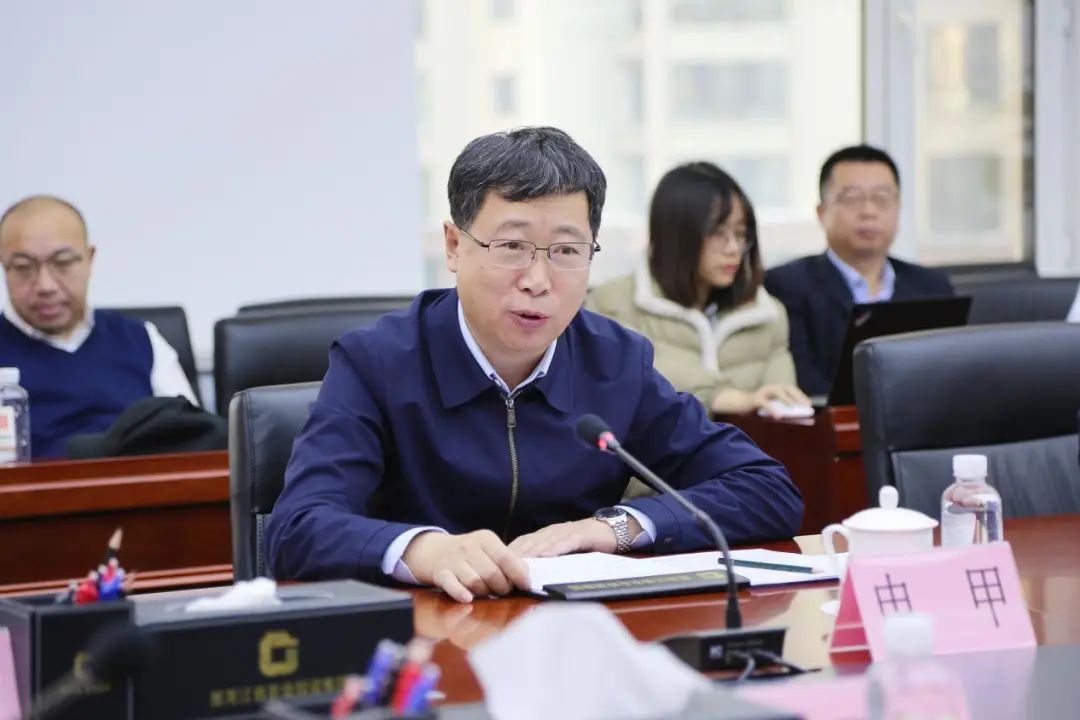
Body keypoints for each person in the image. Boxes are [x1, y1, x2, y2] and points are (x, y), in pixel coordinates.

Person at [266, 127, 803, 603]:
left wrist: (614, 529)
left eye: (566, 251)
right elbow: (297, 528)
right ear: (453, 246)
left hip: (572, 636)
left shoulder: (615, 361)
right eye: (512, 246)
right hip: (424, 639)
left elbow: (765, 488)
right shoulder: (376, 362)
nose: (538, 281)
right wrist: (422, 550)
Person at [587, 162, 808, 418]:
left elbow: (780, 407)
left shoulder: (768, 314)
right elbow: (637, 381)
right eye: (718, 233)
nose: (733, 248)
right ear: (676, 235)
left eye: (740, 234)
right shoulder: (612, 304)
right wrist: (721, 397)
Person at [0, 195, 199, 458]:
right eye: (24, 267)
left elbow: (196, 440)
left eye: (63, 263)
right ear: (4, 267)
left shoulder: (141, 338)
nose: (45, 285)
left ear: (89, 259)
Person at [765, 145, 954, 395]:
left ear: (898, 209)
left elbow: (948, 376)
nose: (869, 211)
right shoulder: (786, 286)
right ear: (821, 213)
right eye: (852, 198)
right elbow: (804, 385)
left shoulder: (932, 286)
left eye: (882, 198)